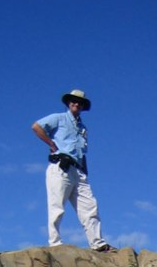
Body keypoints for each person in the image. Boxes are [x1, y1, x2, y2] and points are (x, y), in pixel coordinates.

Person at [32, 89, 116, 252]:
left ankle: (97, 243)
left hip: (78, 169)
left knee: (90, 205)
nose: (76, 103)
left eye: (79, 102)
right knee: (57, 206)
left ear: (83, 106)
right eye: (73, 101)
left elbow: (81, 151)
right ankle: (55, 243)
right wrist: (51, 144)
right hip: (61, 165)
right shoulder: (59, 118)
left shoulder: (82, 128)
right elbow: (36, 126)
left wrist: (84, 170)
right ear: (68, 103)